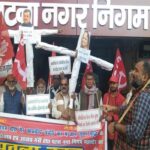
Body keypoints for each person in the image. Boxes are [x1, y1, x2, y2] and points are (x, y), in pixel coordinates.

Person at [103, 59, 150, 150]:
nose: (132, 73)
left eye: (136, 70)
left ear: (144, 77)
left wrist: (115, 125)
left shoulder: (144, 97)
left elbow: (135, 132)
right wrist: (112, 108)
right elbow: (128, 109)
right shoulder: (139, 92)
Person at [103, 75, 125, 150]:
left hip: (115, 131)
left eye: (114, 83)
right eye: (111, 83)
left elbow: (123, 115)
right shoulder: (105, 96)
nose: (112, 85)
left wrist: (112, 118)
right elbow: (103, 110)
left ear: (117, 84)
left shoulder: (122, 98)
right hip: (105, 129)